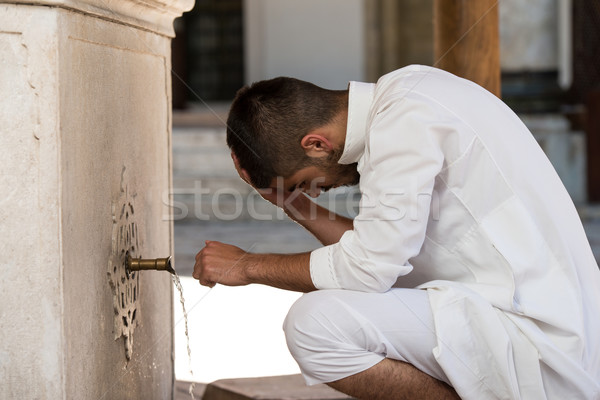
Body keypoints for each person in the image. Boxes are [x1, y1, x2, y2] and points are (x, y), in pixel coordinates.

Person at [192, 65, 600, 399]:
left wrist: (247, 266)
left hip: (543, 347)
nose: (316, 190)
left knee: (314, 327)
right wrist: (291, 200)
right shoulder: (407, 97)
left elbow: (367, 270)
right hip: (525, 322)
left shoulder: (403, 120)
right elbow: (380, 256)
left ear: (316, 144)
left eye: (304, 181)